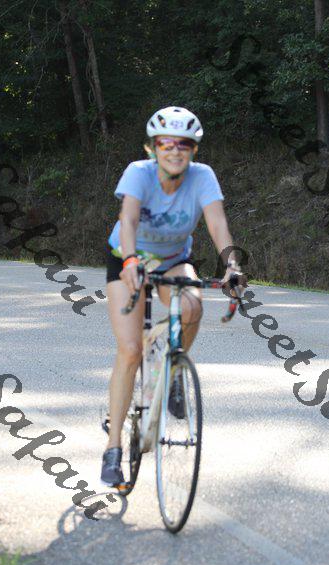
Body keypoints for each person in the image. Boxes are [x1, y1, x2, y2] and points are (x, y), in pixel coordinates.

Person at [101, 106, 246, 486]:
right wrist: (130, 260)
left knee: (193, 305)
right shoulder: (138, 172)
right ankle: (113, 448)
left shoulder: (202, 177)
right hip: (128, 258)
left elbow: (217, 223)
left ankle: (174, 369)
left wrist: (232, 266)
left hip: (172, 261)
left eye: (184, 144)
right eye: (167, 143)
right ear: (153, 148)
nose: (175, 150)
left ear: (193, 149)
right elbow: (129, 218)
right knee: (130, 350)